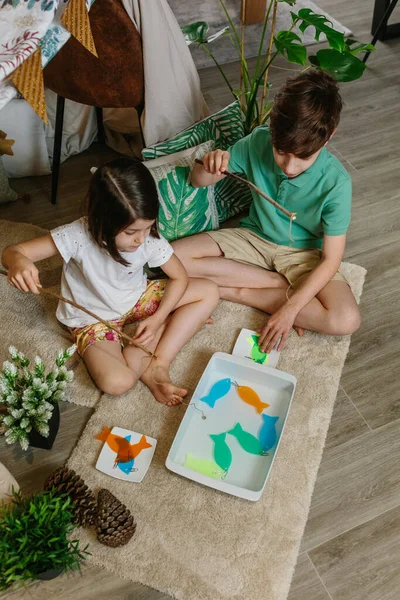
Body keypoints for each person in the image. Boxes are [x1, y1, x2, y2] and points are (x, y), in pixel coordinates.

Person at [2, 158, 219, 405]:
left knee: (209, 291)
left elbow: (180, 277)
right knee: (118, 383)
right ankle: (171, 326)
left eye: (147, 227)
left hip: (136, 299)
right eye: (130, 232)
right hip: (93, 319)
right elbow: (12, 251)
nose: (141, 239)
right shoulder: (77, 235)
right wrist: (19, 263)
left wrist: (158, 318)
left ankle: (159, 363)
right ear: (101, 220)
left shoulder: (147, 239)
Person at [173, 69, 361, 353]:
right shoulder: (258, 141)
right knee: (171, 258)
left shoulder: (337, 183)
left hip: (303, 255)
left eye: (303, 157)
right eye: (281, 152)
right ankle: (277, 283)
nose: (289, 166)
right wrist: (209, 165)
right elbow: (197, 181)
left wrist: (290, 310)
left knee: (345, 319)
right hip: (254, 237)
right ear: (272, 128)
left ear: (328, 136)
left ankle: (233, 291)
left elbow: (331, 260)